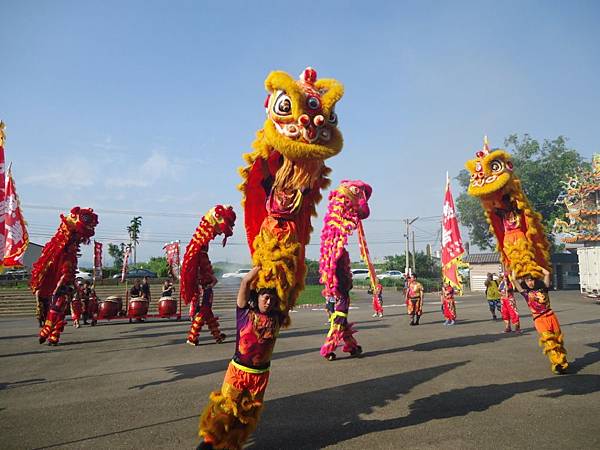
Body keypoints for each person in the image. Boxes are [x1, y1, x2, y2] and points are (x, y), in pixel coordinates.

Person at [197, 267, 283, 450]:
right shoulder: (244, 313)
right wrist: (262, 264)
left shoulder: (278, 317)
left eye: (272, 298)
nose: (269, 301)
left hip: (260, 376)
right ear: (257, 297)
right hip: (238, 371)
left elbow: (288, 291)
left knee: (247, 416)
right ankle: (209, 443)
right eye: (265, 297)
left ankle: (232, 444)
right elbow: (245, 282)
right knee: (225, 410)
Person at [513, 268, 568, 374]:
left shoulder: (544, 288)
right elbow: (514, 278)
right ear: (524, 282)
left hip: (551, 317)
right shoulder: (525, 293)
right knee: (549, 342)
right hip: (539, 320)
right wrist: (516, 266)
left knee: (558, 341)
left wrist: (535, 265)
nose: (530, 282)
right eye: (527, 280)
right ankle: (557, 364)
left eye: (532, 279)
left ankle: (562, 362)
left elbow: (546, 273)